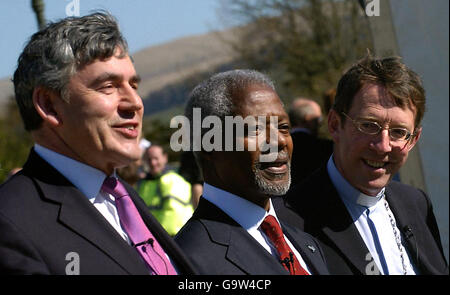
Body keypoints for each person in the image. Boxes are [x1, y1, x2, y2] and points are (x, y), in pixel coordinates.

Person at [0, 12, 196, 275]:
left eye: (133, 85)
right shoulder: (12, 223)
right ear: (49, 105)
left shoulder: (122, 198)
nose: (135, 103)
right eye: (108, 86)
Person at [274, 54, 448, 275]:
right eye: (369, 125)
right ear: (335, 125)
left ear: (413, 140)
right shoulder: (287, 221)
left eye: (398, 132)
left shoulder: (416, 204)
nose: (383, 146)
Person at [174, 69, 329, 275]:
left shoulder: (306, 242)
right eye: (255, 129)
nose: (279, 141)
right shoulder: (190, 261)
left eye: (283, 127)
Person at [137, 145, 193, 236]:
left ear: (165, 158)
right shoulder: (142, 184)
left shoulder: (174, 180)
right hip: (151, 237)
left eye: (156, 158)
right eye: (149, 159)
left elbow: (175, 215)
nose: (153, 163)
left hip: (172, 238)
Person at [288, 98, 333, 184]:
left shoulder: (278, 146)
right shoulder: (325, 148)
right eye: (319, 119)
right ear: (308, 119)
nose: (320, 124)